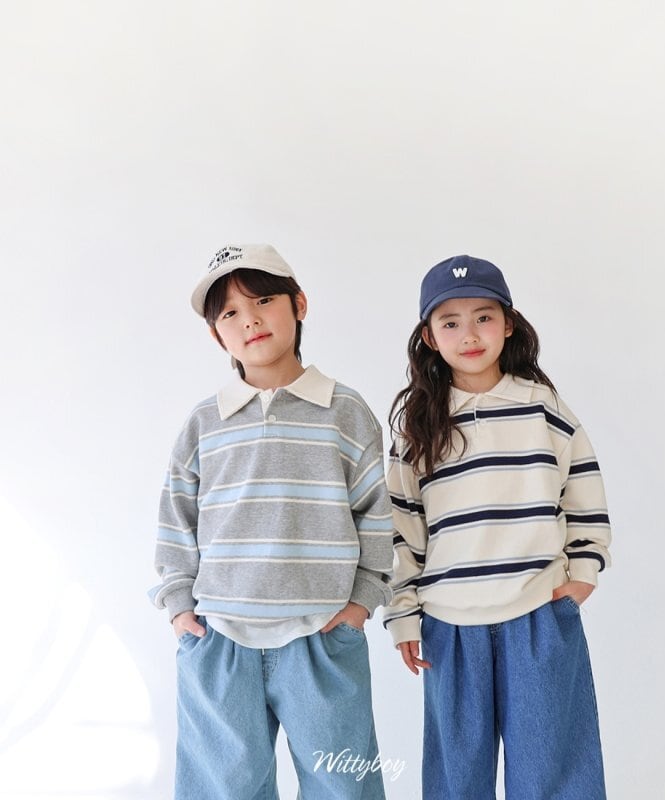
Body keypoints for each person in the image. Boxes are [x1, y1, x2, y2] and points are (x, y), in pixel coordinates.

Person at [150, 244, 393, 800]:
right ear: (216, 334)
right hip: (219, 640)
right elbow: (176, 518)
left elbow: (375, 514)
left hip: (323, 638)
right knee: (223, 790)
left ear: (298, 304)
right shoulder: (204, 422)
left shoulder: (345, 411)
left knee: (343, 788)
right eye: (230, 313)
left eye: (263, 300)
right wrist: (180, 608)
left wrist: (360, 604)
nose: (250, 320)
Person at [383, 255, 611, 799]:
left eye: (483, 317)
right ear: (429, 336)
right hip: (449, 624)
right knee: (457, 779)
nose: (469, 334)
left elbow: (584, 493)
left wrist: (582, 574)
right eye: (450, 322)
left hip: (538, 615)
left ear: (508, 324)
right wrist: (403, 615)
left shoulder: (543, 408)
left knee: (553, 771)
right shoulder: (418, 428)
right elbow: (402, 529)